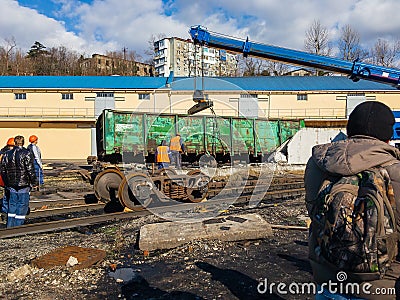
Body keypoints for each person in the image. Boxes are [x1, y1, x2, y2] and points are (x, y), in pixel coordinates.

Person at [304, 101, 400, 299]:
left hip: (327, 279)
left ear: (349, 129)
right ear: (389, 136)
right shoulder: (396, 171)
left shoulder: (318, 164)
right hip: (381, 286)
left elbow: (314, 211)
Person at [1, 135, 38, 228]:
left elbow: (3, 170)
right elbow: (30, 170)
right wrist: (34, 183)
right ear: (23, 142)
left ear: (14, 142)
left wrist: (6, 183)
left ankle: (9, 226)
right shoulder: (26, 153)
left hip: (11, 184)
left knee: (12, 204)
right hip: (23, 184)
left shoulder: (7, 154)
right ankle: (18, 227)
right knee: (22, 205)